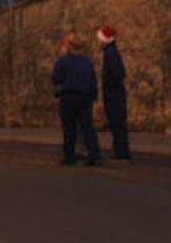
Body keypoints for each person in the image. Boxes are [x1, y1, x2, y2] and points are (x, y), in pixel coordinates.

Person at [51, 34, 101, 166]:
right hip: (85, 97)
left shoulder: (63, 61)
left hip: (69, 96)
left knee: (69, 128)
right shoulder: (87, 62)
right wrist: (93, 96)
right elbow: (93, 81)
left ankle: (69, 156)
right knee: (87, 127)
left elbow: (56, 78)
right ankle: (94, 154)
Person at [98, 26, 131, 160]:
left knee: (117, 123)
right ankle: (120, 150)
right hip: (115, 93)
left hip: (114, 94)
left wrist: (109, 88)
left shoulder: (110, 53)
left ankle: (121, 152)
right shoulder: (111, 52)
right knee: (117, 124)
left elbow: (117, 73)